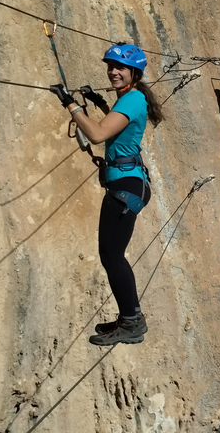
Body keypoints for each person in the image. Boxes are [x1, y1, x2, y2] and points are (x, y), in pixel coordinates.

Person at [49, 43, 164, 346]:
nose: (113, 71)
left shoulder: (133, 99)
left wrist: (71, 105)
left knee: (112, 255)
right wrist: (98, 102)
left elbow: (99, 133)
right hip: (127, 183)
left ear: (134, 73)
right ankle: (129, 317)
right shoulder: (129, 98)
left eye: (120, 68)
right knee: (112, 254)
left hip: (125, 186)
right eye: (110, 66)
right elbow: (115, 127)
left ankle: (132, 321)